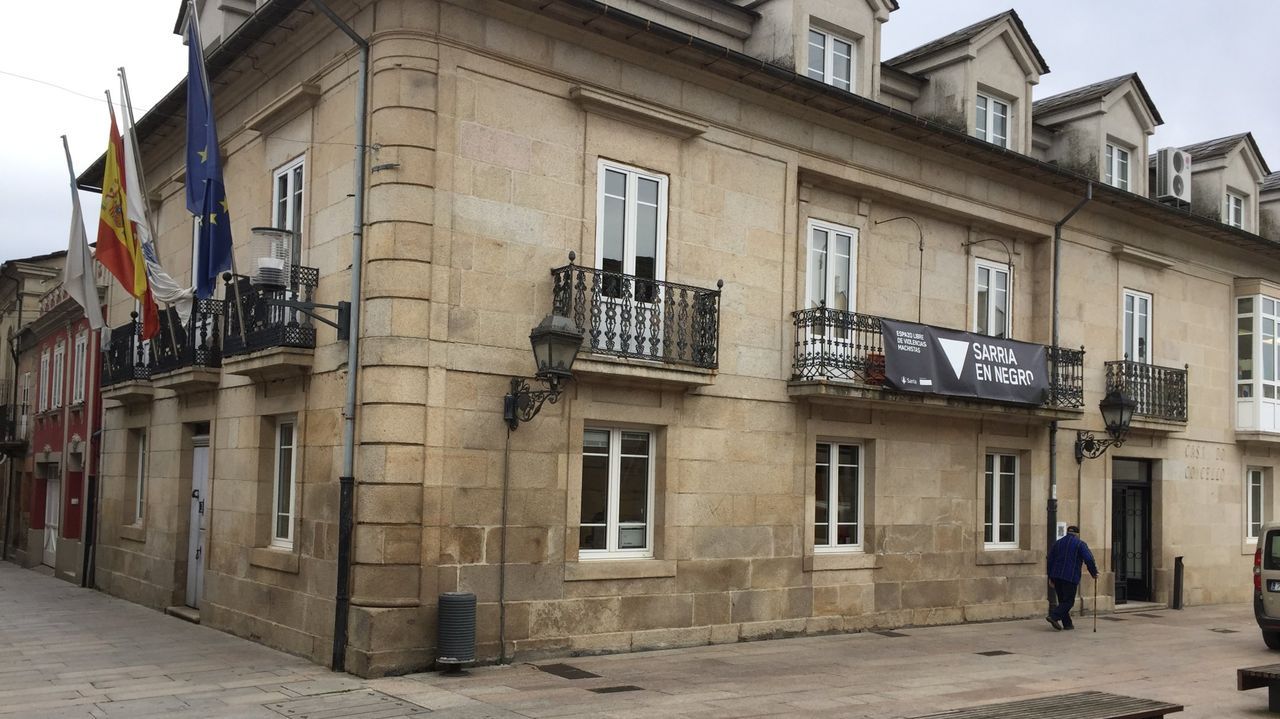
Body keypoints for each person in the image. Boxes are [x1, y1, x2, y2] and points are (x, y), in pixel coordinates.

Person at [1046, 525, 1098, 631]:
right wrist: (1093, 572)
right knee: (1069, 602)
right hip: (1070, 576)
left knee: (1062, 601)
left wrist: (1050, 576)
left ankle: (1068, 624)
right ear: (1077, 534)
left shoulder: (1058, 543)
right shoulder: (1080, 544)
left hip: (1056, 575)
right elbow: (1089, 559)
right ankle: (1054, 616)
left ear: (1067, 532)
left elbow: (1050, 559)